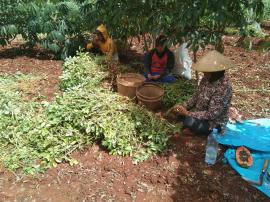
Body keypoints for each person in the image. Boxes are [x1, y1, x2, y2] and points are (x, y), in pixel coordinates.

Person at [173, 50, 234, 135]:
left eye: (206, 70)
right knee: (178, 113)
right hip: (199, 115)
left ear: (215, 72)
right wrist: (184, 106)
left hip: (213, 123)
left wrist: (187, 113)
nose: (203, 72)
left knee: (189, 121)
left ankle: (194, 130)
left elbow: (211, 114)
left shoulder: (224, 87)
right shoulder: (206, 79)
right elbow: (195, 97)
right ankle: (191, 127)